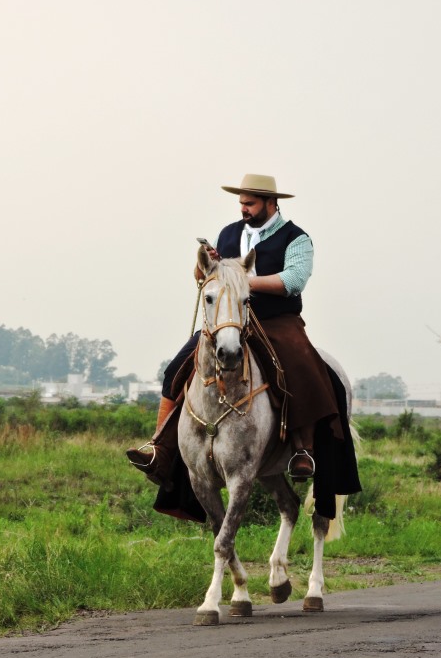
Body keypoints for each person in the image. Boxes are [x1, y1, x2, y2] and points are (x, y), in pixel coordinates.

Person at [126, 173, 352, 501]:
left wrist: (240, 281)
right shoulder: (229, 233)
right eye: (242, 203)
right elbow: (208, 276)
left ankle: (303, 449)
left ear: (271, 203)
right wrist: (203, 265)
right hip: (229, 318)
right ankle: (160, 447)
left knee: (302, 365)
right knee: (176, 368)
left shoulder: (297, 238)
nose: (243, 208)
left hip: (277, 318)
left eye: (250, 203)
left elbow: (295, 279)